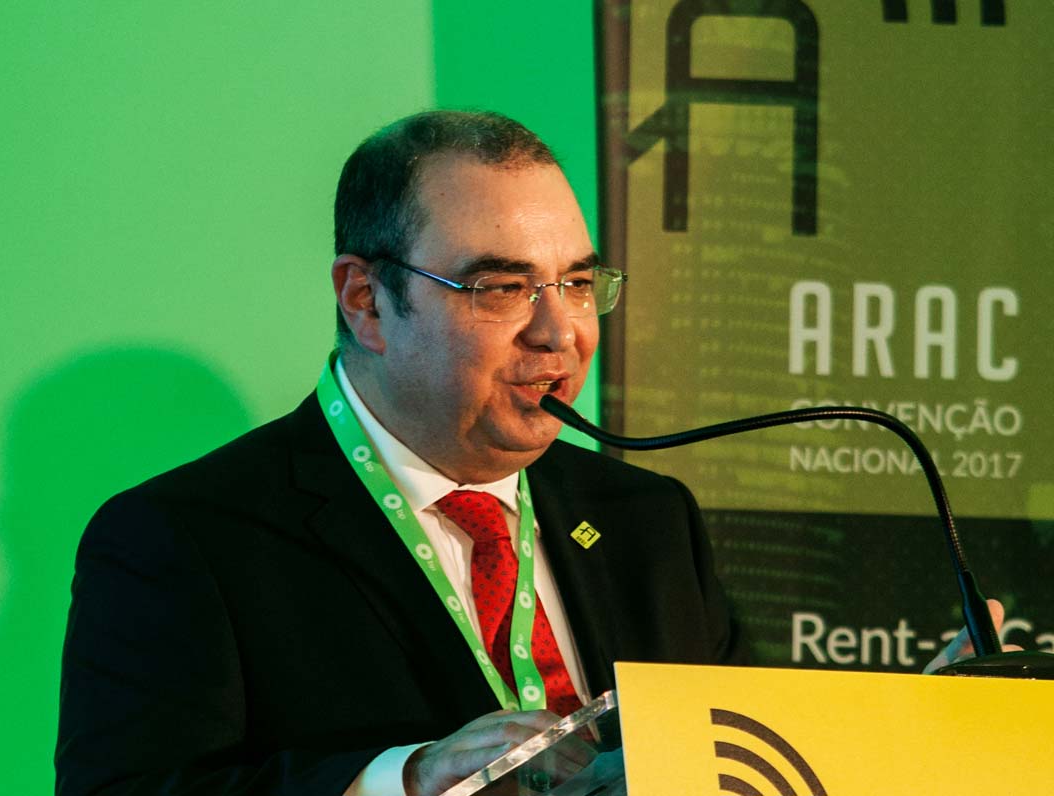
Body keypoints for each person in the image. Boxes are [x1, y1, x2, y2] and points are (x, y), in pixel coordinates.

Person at [53, 110, 996, 796]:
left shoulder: (646, 519)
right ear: (366, 301)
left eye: (578, 283)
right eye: (501, 288)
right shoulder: (187, 540)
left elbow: (731, 765)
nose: (560, 334)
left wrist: (898, 738)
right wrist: (405, 781)